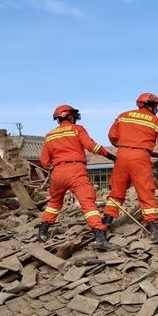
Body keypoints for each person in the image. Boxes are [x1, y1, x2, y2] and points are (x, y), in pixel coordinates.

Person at [103, 93, 158, 241]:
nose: (157, 110)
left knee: (117, 191)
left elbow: (112, 136)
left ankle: (105, 223)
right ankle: (153, 227)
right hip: (140, 158)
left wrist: (126, 144)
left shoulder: (123, 116)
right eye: (156, 106)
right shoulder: (155, 121)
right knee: (146, 191)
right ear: (150, 106)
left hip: (122, 156)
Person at [38, 105, 116, 251]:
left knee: (54, 203)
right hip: (75, 170)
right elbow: (91, 146)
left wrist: (56, 167)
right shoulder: (77, 129)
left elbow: (44, 162)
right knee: (88, 203)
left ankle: (42, 232)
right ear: (70, 116)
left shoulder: (50, 135)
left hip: (58, 173)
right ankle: (100, 238)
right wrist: (110, 156)